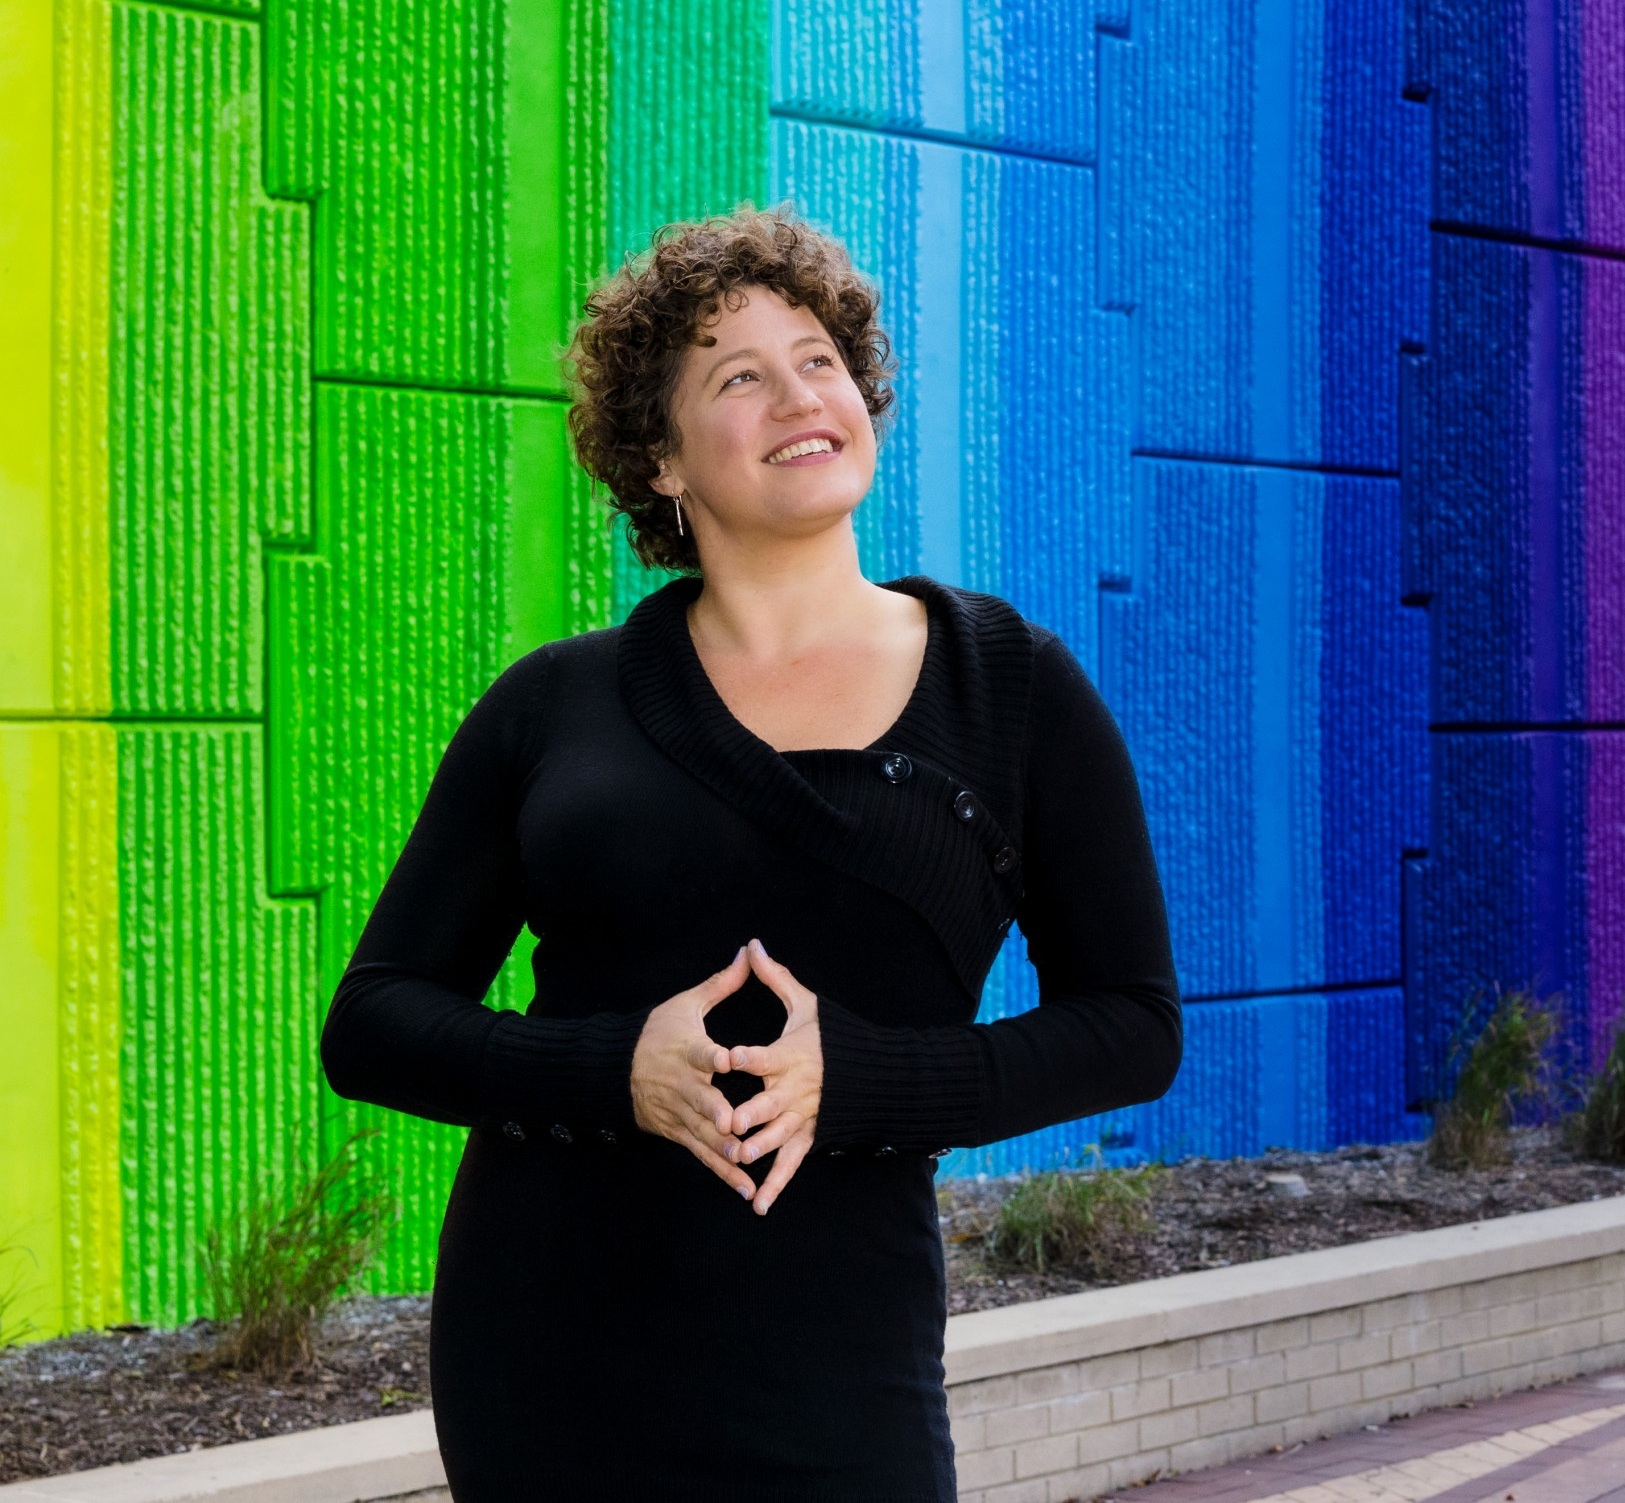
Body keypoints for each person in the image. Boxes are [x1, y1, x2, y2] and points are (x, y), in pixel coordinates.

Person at [319, 206, 1182, 1500]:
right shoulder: (553, 705)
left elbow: (1131, 1026)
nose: (798, 395)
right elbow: (375, 1022)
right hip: (550, 1353)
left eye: (819, 359)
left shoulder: (1009, 689)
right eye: (738, 375)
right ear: (661, 459)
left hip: (841, 1362)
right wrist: (618, 1069)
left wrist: (865, 1080)